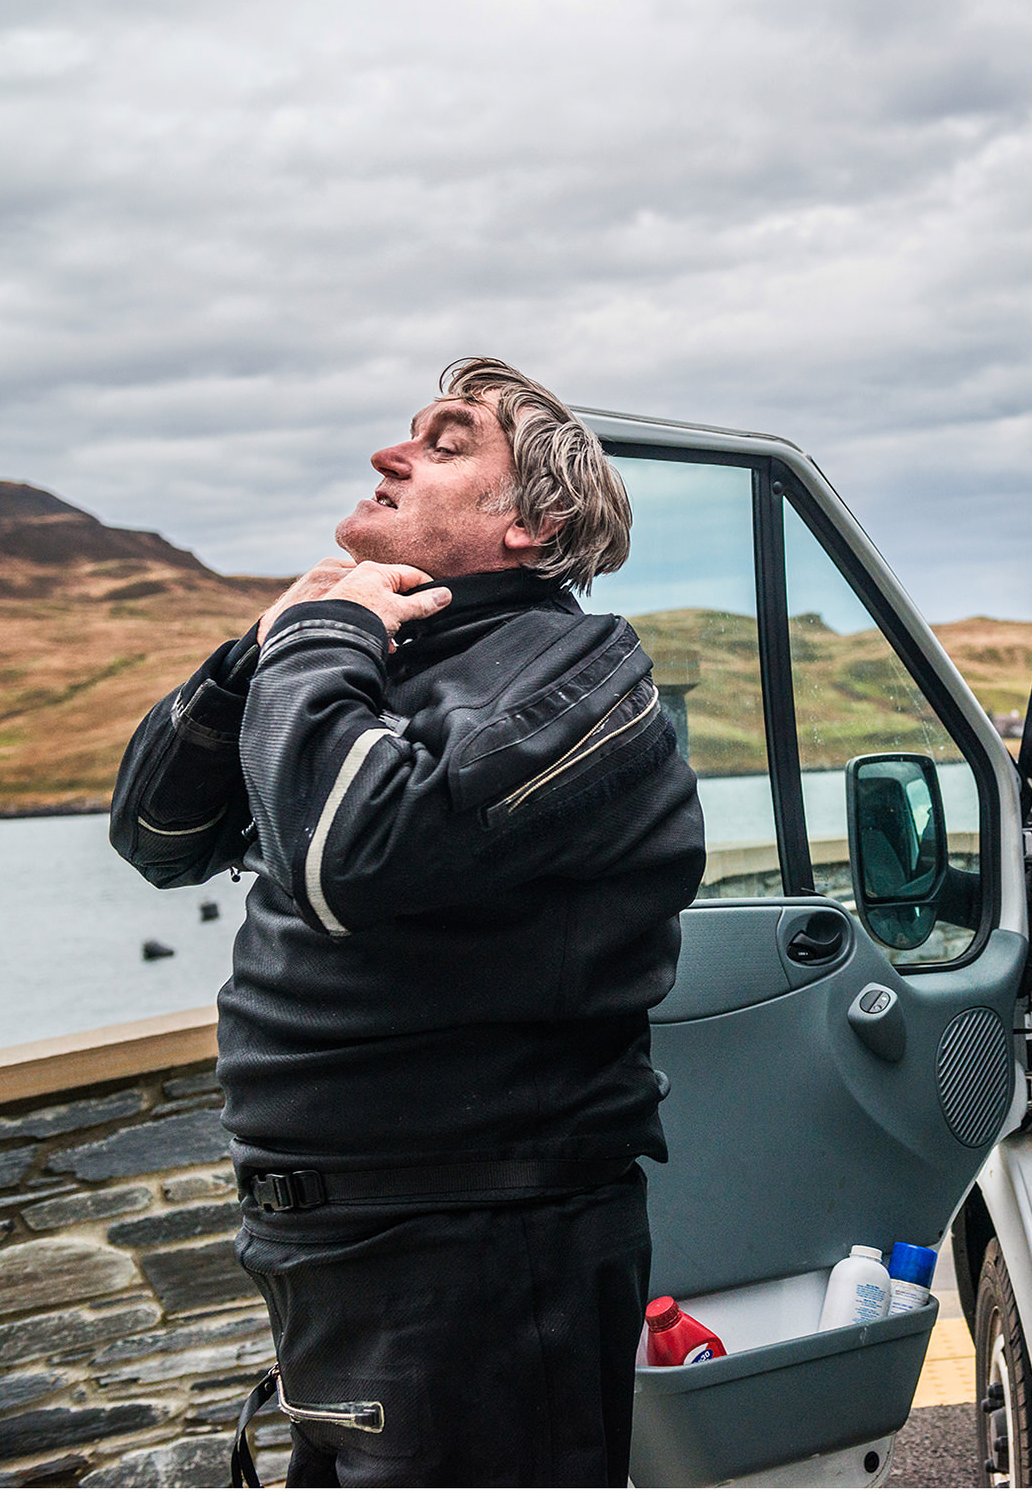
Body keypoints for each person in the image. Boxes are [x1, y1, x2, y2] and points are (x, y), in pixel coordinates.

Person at [109, 358, 705, 1485]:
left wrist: (318, 641)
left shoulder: (577, 674)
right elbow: (157, 835)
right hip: (338, 1244)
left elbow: (350, 861)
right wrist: (262, 652)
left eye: (444, 443)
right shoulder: (376, 656)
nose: (391, 455)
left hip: (478, 1246)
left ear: (537, 521)